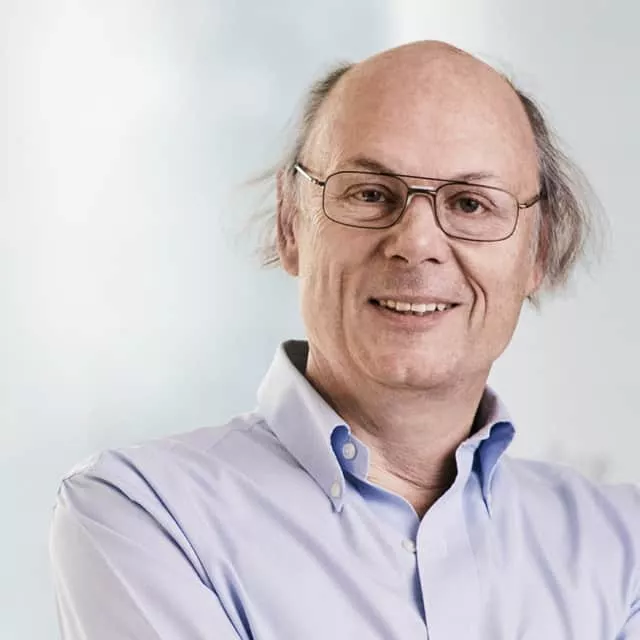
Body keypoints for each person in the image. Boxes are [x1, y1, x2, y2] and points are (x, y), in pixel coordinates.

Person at [49, 40, 640, 640]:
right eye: (370, 194)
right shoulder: (142, 513)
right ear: (291, 225)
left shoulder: (623, 548)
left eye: (470, 204)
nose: (417, 243)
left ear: (537, 252)